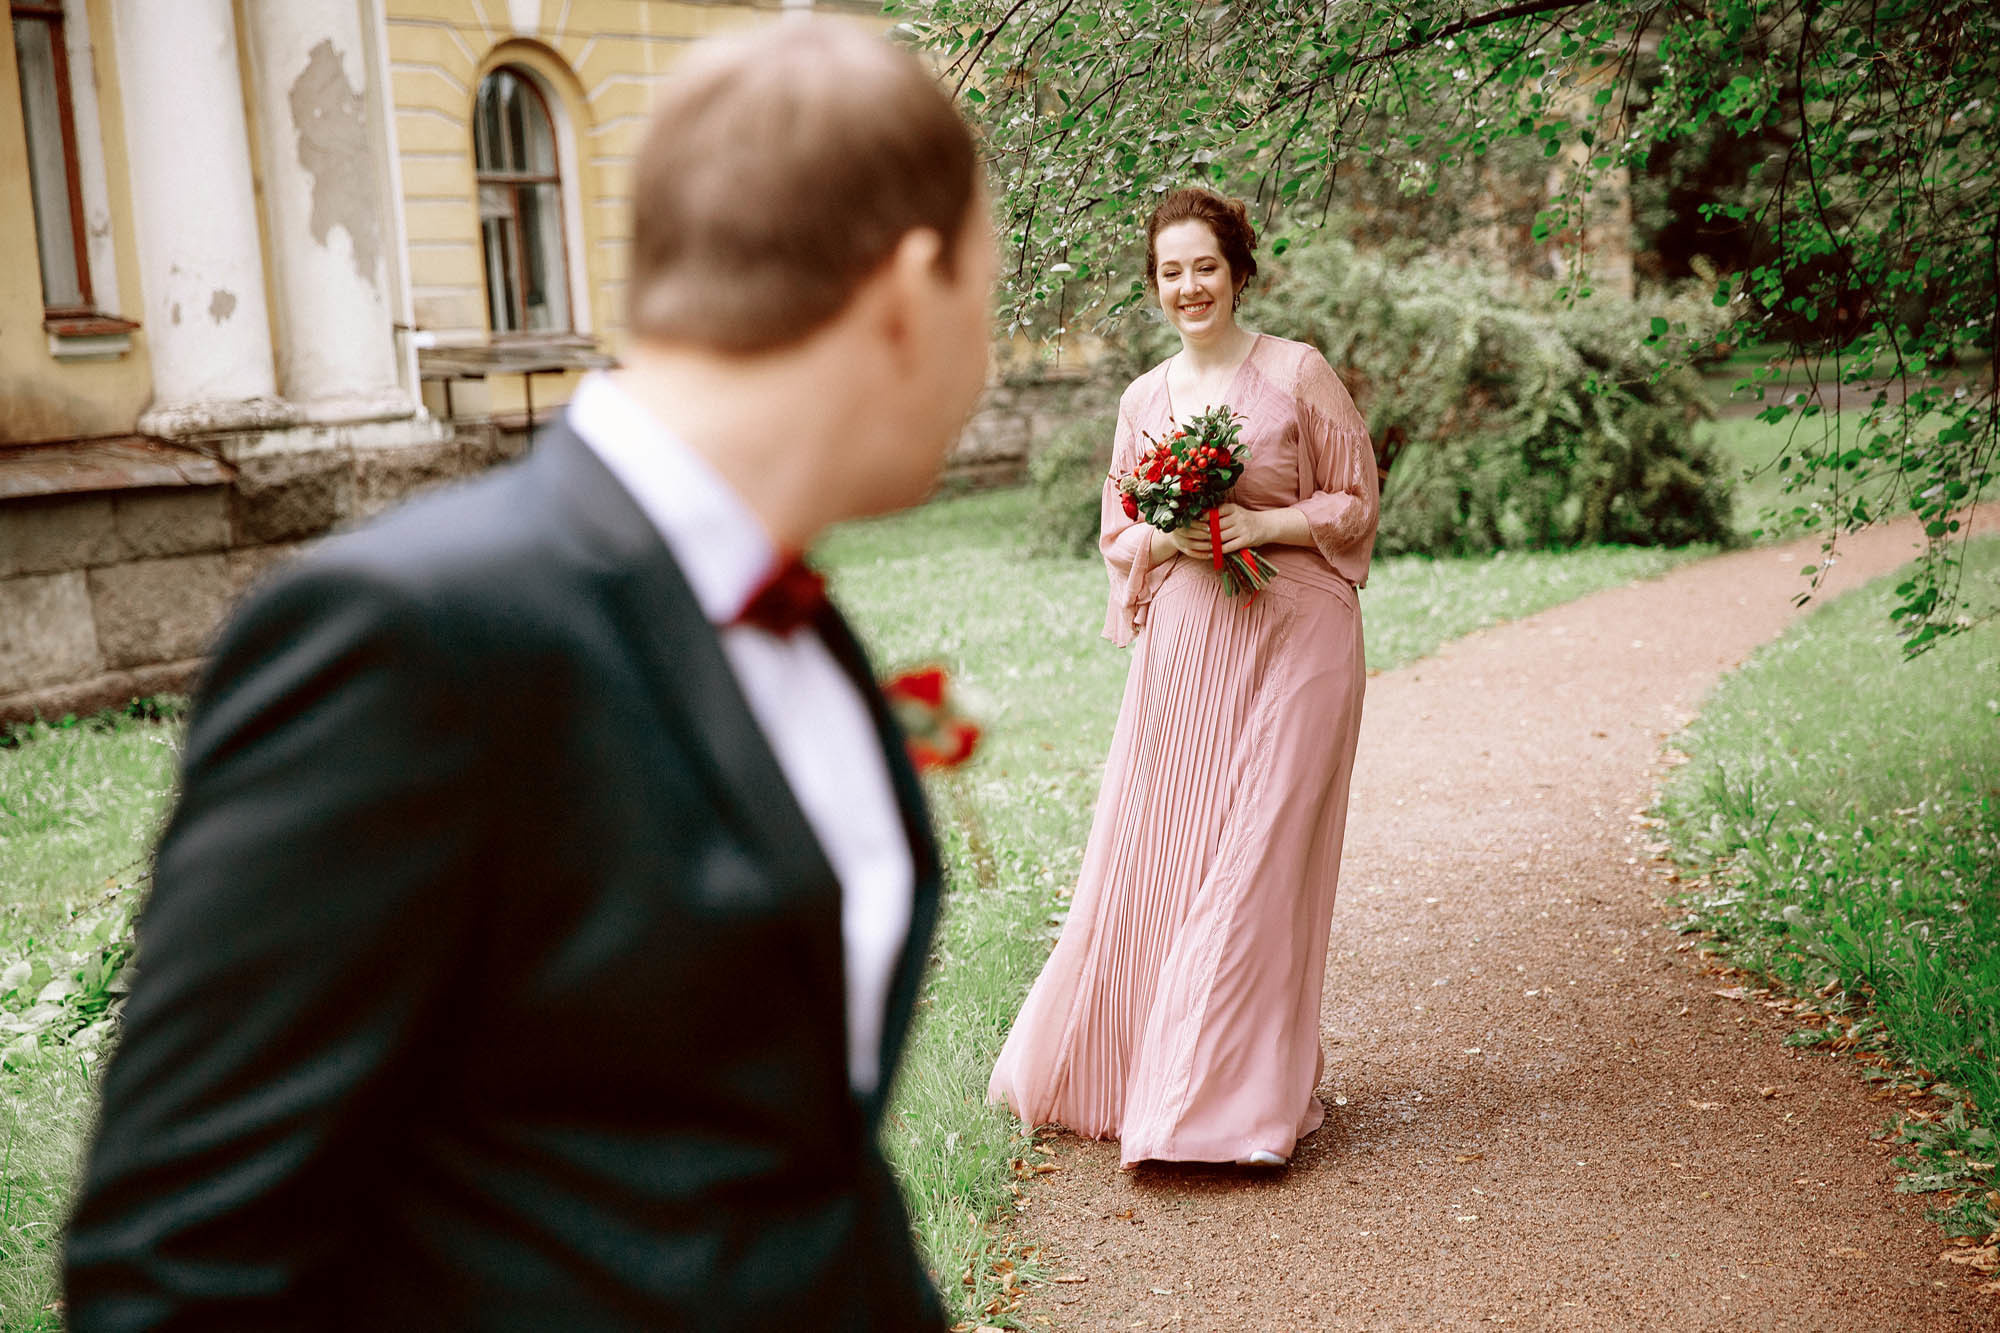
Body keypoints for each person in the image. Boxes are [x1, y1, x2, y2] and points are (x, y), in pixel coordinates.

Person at [63, 19, 994, 1331]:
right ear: (908, 293)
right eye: (990, 295)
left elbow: (785, 1165)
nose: (988, 358)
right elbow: (171, 1263)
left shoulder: (785, 612)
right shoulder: (409, 638)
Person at [987, 188, 1379, 1168]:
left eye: (1203, 265)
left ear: (1237, 269)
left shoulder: (1296, 374)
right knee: (1163, 851)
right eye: (1169, 271)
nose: (1187, 286)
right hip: (1187, 651)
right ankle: (1144, 1073)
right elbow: (1118, 531)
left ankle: (1219, 1106)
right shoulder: (1143, 399)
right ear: (1154, 285)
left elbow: (1354, 496)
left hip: (1299, 638)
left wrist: (1266, 524)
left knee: (1256, 855)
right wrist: (1172, 531)